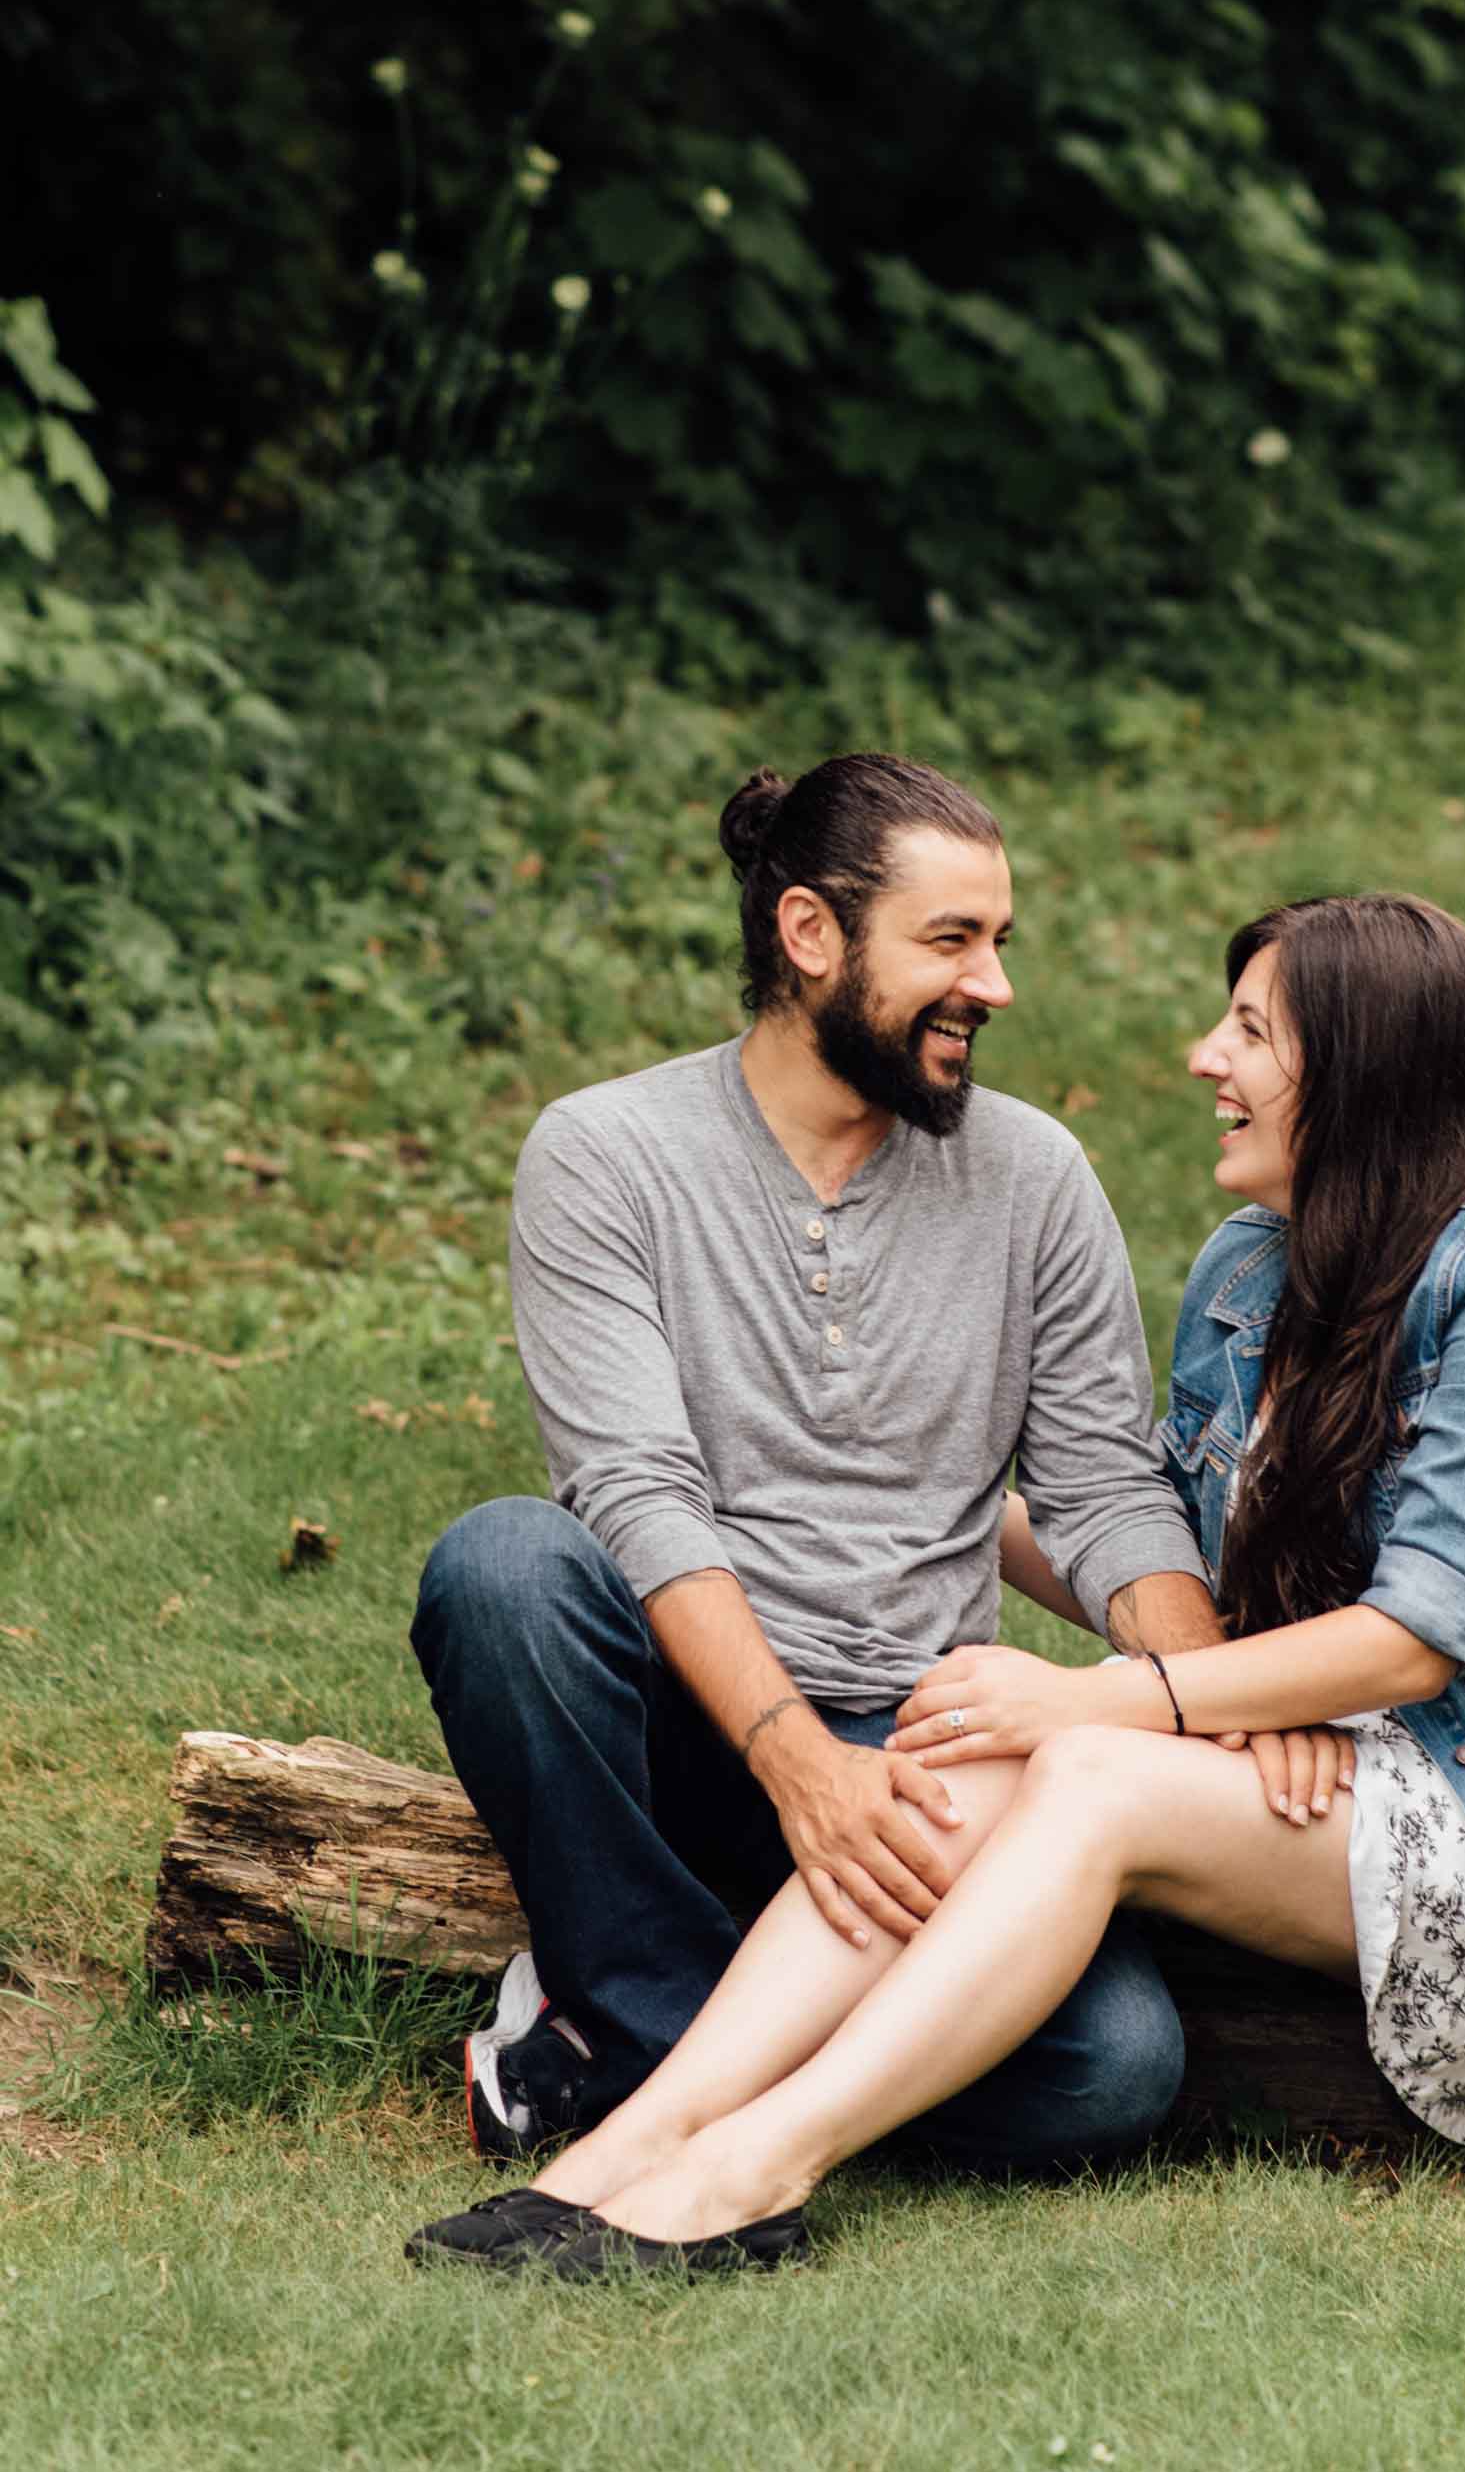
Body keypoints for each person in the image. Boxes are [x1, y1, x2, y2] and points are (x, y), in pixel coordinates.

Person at [407, 891, 1465, 2281]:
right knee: (964, 1771)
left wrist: (1127, 1698)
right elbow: (1147, 1536)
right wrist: (904, 1492)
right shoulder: (1252, 1275)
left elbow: (1416, 1638)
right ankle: (627, 2147)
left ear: (1367, 1069)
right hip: (1344, 1777)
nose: (1205, 1057)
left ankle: (754, 2167)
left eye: (1252, 1031)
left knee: (1082, 1769)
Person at [410, 752, 1349, 2178]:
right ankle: (701, 2032)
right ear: (810, 937)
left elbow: (1104, 1495)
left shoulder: (1035, 1179)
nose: (996, 985)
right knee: (504, 1569)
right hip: (687, 1727)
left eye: (1001, 942)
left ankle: (627, 2029)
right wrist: (794, 1768)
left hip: (922, 1756)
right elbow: (638, 1495)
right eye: (952, 941)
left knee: (1116, 2072)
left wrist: (1208, 1703)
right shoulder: (604, 1156)